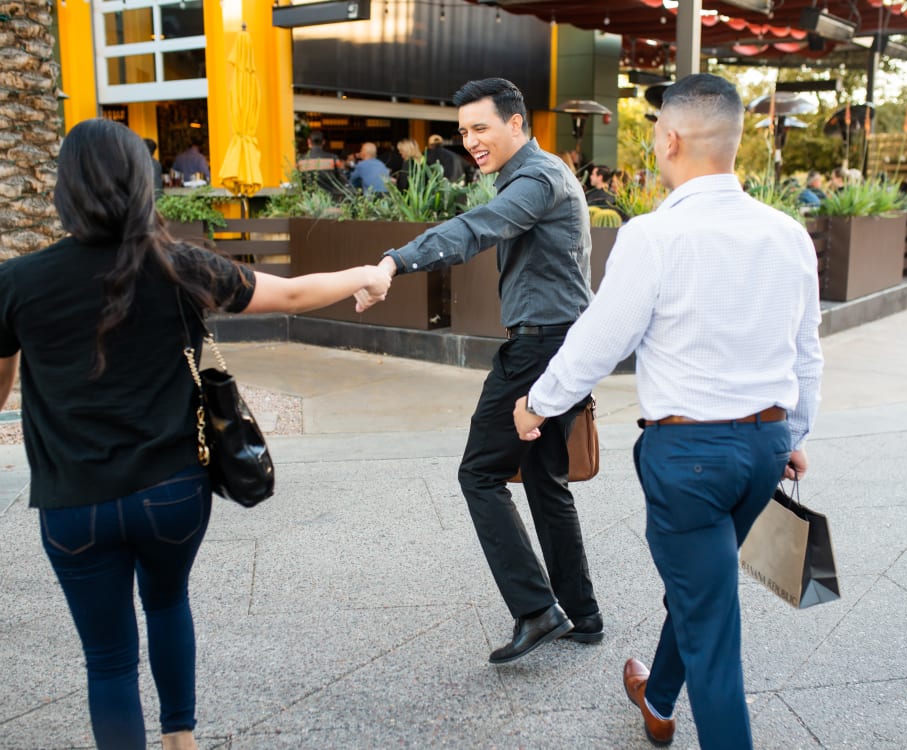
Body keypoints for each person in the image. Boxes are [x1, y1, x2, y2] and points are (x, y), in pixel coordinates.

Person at [0, 118, 391, 750]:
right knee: (166, 603)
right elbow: (290, 294)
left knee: (107, 660)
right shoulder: (177, 265)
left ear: (63, 190)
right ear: (142, 185)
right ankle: (181, 740)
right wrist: (368, 274)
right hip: (172, 493)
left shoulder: (16, 283)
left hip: (74, 503)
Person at [513, 73, 823, 749]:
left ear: (672, 138)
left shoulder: (654, 237)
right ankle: (656, 700)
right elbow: (806, 353)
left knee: (714, 631)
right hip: (766, 447)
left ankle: (679, 708)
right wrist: (795, 432)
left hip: (688, 460)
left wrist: (536, 405)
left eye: (656, 131)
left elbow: (598, 341)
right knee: (701, 585)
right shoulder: (788, 234)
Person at [356, 77, 602, 664]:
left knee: (479, 474)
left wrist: (393, 261)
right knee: (545, 480)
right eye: (463, 131)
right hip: (558, 345)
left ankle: (538, 610)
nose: (470, 141)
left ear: (516, 123)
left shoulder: (537, 179)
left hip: (539, 351)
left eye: (480, 128)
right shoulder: (536, 175)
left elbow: (476, 228)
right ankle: (583, 616)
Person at [297, 130, 345, 195]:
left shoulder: (300, 160)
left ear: (309, 141)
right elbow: (342, 178)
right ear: (323, 142)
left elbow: (297, 180)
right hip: (330, 199)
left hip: (308, 200)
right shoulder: (333, 158)